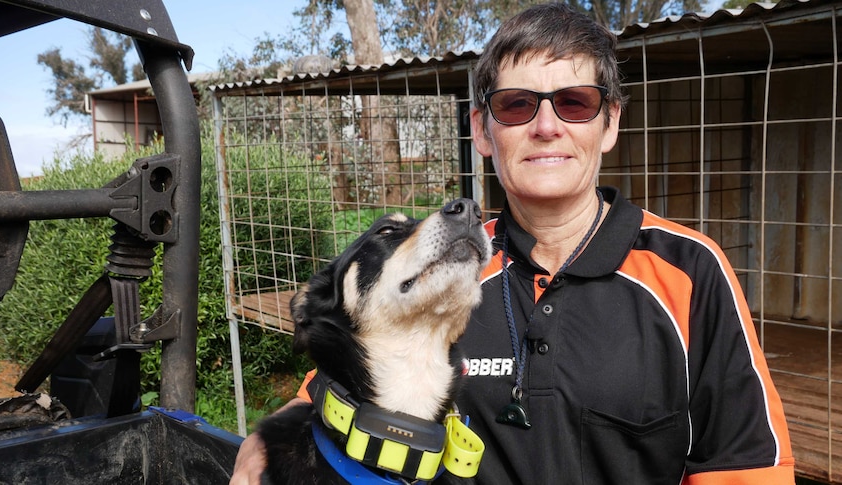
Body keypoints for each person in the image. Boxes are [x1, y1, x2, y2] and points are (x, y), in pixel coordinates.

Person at [231, 3, 795, 484]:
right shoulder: (449, 271)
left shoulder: (689, 270)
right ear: (482, 129)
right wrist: (274, 437)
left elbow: (747, 466)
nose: (546, 126)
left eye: (574, 102)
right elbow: (344, 373)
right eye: (517, 105)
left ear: (611, 123)